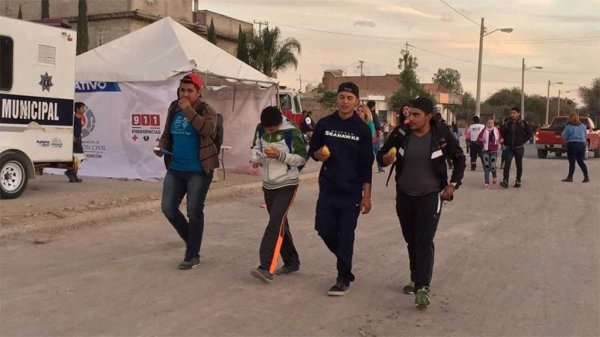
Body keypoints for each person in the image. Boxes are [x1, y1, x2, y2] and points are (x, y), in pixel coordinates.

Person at [377, 97, 465, 309]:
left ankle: (423, 287)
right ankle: (415, 278)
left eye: (416, 115)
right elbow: (381, 156)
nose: (410, 118)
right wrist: (385, 159)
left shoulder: (441, 134)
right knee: (411, 239)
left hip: (431, 195)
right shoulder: (401, 133)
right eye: (409, 114)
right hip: (405, 194)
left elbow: (459, 158)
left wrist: (453, 184)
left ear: (428, 116)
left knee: (424, 240)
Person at [309, 82, 374, 296]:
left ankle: (343, 277)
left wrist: (367, 196)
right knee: (324, 229)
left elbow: (367, 165)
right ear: (336, 99)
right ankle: (344, 261)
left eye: (349, 98)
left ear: (356, 102)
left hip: (351, 191)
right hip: (328, 188)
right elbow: (313, 151)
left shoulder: (362, 129)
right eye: (341, 97)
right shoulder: (325, 124)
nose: (345, 102)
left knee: (346, 235)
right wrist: (319, 154)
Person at [155, 73, 219, 270]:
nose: (185, 94)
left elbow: (208, 130)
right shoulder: (174, 108)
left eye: (190, 91)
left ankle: (192, 255)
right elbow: (167, 133)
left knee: (193, 210)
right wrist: (162, 147)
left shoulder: (207, 110)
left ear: (198, 93)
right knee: (168, 208)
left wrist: (190, 111)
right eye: (182, 90)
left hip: (198, 170)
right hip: (175, 168)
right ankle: (192, 241)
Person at [248, 106, 308, 283]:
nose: (268, 131)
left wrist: (281, 155)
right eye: (266, 129)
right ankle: (291, 261)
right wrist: (256, 158)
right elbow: (255, 147)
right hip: (268, 184)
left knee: (275, 222)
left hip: (287, 183)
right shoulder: (260, 128)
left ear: (279, 123)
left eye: (272, 129)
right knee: (281, 222)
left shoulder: (291, 132)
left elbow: (302, 158)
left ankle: (266, 267)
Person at [499, 107, 531, 188]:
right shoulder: (507, 123)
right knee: (507, 164)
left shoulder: (523, 123)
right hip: (508, 148)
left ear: (518, 114)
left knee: (519, 165)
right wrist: (502, 141)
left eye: (514, 113)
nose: (512, 115)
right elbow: (502, 133)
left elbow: (529, 134)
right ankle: (505, 181)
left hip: (519, 148)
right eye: (511, 113)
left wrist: (522, 141)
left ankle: (518, 181)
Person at [561, 112, 590, 183]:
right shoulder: (583, 126)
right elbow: (586, 136)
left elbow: (564, 136)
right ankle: (586, 177)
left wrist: (566, 141)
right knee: (580, 161)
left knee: (572, 162)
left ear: (570, 118)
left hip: (572, 144)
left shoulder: (568, 126)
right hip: (581, 145)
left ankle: (570, 177)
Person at [476, 117, 501, 188]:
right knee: (486, 166)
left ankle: (494, 175)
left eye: (491, 123)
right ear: (486, 124)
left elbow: (500, 138)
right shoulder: (483, 131)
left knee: (493, 166)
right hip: (485, 151)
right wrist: (481, 140)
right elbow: (478, 139)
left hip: (494, 151)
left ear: (493, 124)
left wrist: (501, 140)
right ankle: (486, 183)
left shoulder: (496, 131)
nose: (490, 124)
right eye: (488, 123)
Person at [65, 102, 86, 183]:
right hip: (75, 140)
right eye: (82, 108)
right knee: (78, 157)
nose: (84, 109)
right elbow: (70, 129)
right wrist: (73, 138)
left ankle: (73, 175)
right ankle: (70, 172)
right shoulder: (73, 119)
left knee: (78, 158)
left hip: (78, 139)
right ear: (77, 109)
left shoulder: (79, 118)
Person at [367, 101, 385, 172]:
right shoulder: (372, 115)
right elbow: (377, 125)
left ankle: (369, 167)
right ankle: (379, 167)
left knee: (370, 153)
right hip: (375, 135)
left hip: (371, 135)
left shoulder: (369, 114)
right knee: (377, 152)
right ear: (373, 106)